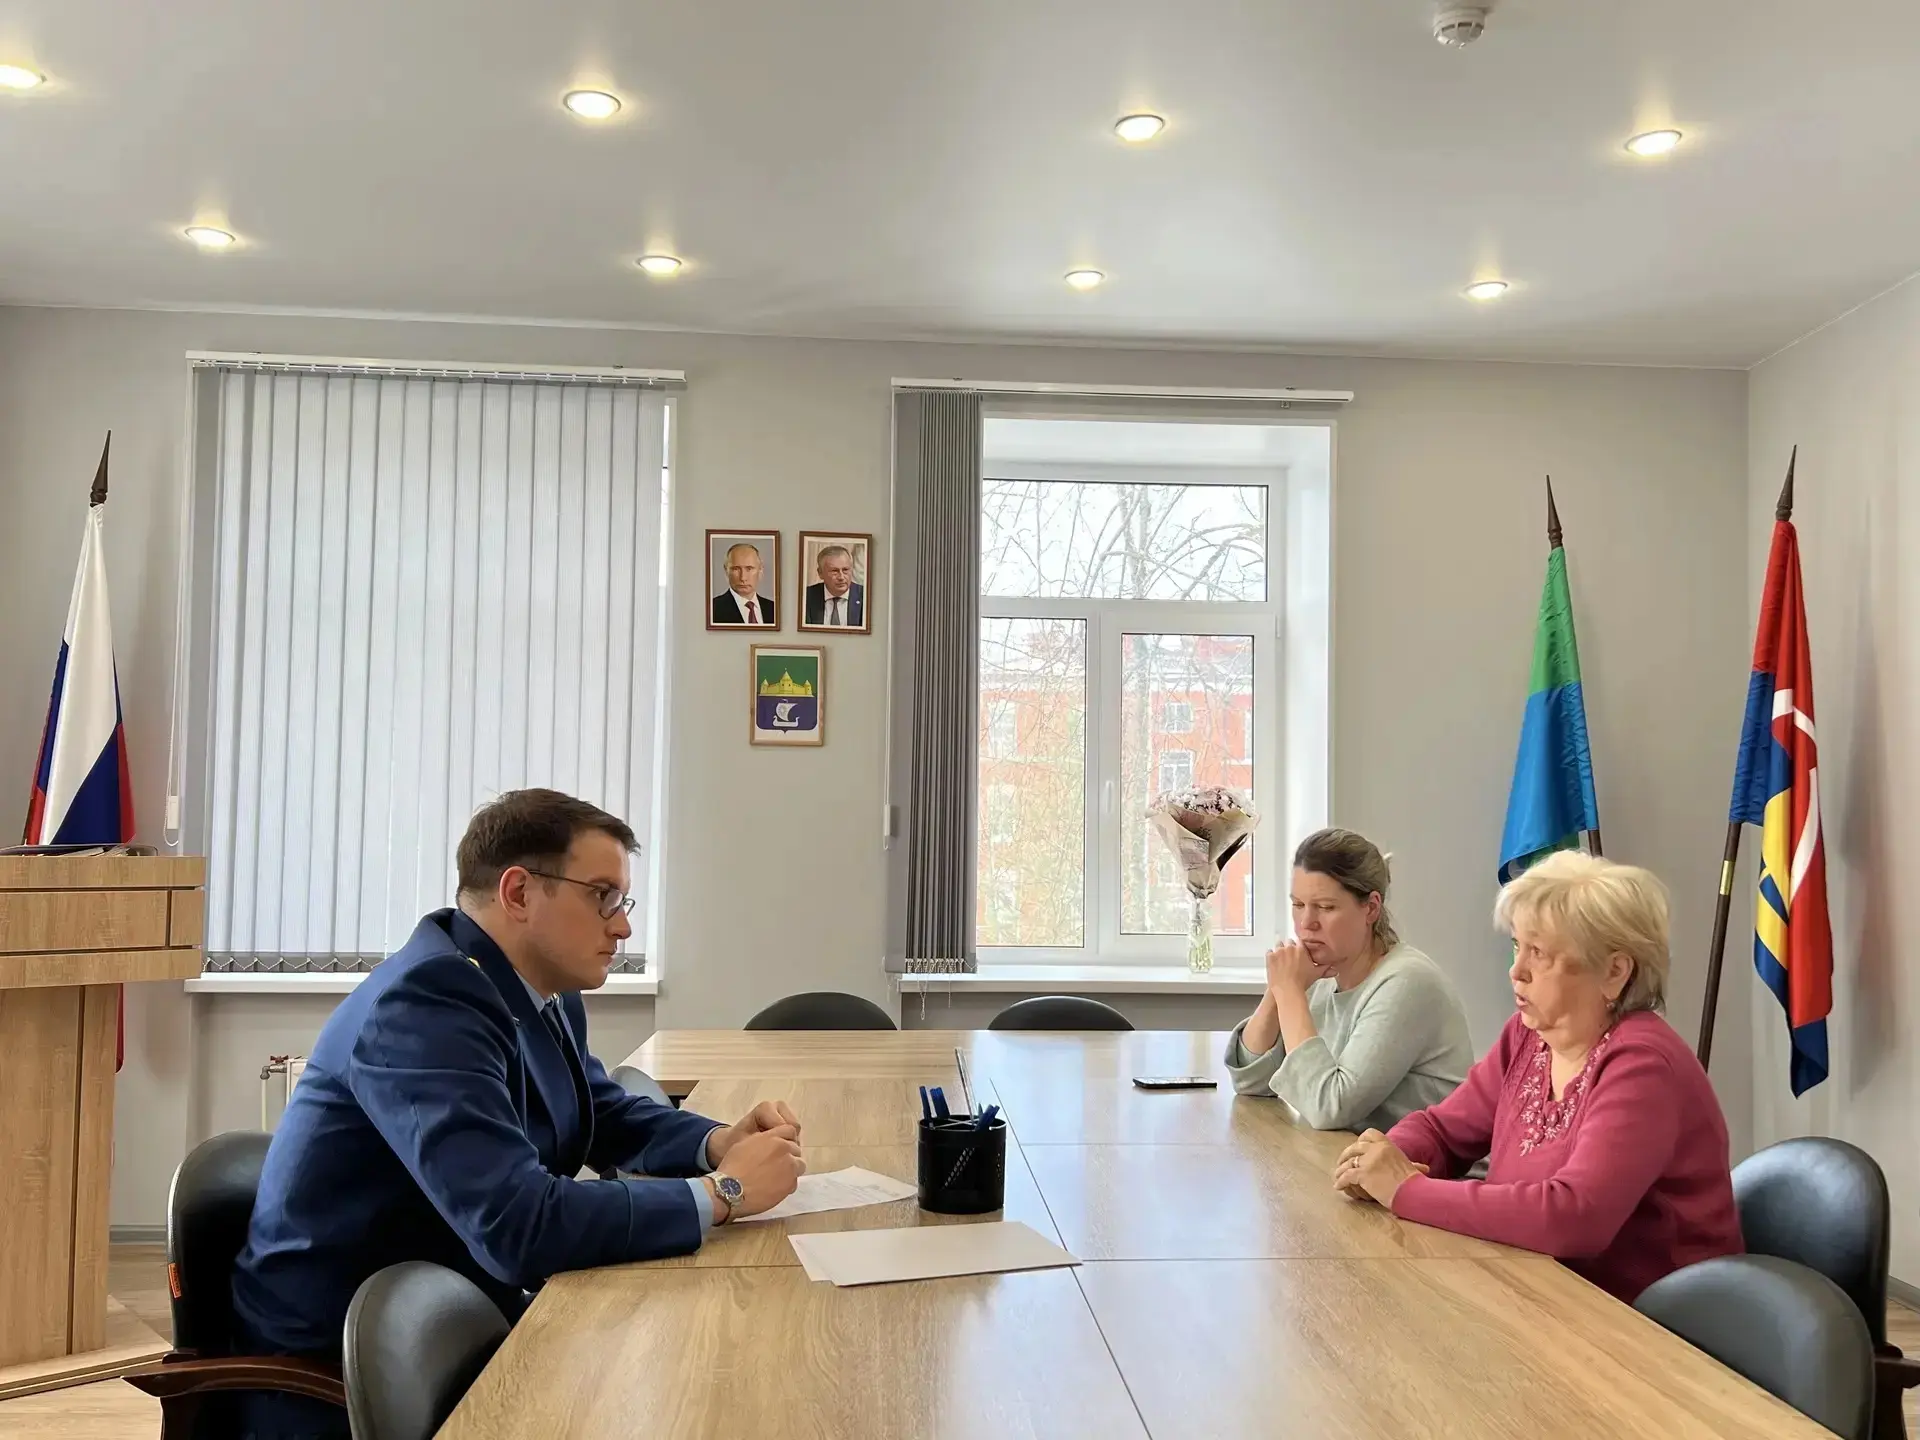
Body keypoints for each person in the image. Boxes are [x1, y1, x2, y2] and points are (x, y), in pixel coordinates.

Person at [228, 789, 806, 1438]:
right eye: (603, 897)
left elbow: (599, 1111)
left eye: (622, 902)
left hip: (463, 1302)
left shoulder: (527, 986)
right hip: (350, 1364)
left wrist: (719, 1141)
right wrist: (724, 1194)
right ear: (519, 892)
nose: (622, 927)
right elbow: (517, 1226)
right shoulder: (424, 1003)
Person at [1332, 851, 1743, 1304]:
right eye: (1517, 946)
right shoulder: (1529, 1036)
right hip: (1535, 1291)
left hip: (1647, 1321)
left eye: (1540, 953)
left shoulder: (1643, 1066)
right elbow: (1444, 1131)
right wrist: (1382, 1159)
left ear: (1614, 972)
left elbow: (1574, 1217)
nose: (1517, 971)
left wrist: (1407, 1190)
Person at [1225, 828, 1472, 1131]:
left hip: (1418, 1160)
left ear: (1371, 908)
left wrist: (1289, 991)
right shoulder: (1321, 973)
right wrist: (1278, 990)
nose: (1306, 923)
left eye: (1326, 907)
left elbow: (1330, 1108)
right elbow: (1250, 1081)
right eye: (1298, 905)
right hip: (1351, 1153)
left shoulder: (1407, 982)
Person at [712, 541, 776, 625]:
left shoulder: (773, 608)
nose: (743, 578)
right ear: (726, 571)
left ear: (760, 571)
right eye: (736, 569)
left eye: (749, 569)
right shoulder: (712, 608)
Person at [803, 543, 865, 628]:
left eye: (845, 570)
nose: (841, 577)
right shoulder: (806, 596)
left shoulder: (865, 596)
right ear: (820, 573)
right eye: (834, 571)